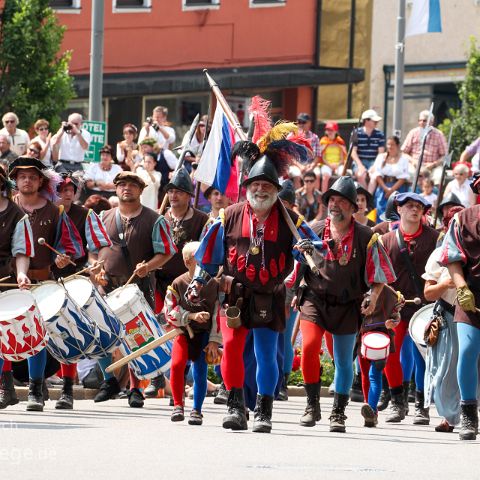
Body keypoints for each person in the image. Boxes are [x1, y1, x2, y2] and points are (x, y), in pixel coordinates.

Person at [187, 146, 323, 433]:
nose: (260, 190)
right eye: (256, 184)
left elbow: (316, 252)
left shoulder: (291, 220)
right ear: (247, 186)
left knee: (266, 354)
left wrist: (307, 249)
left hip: (270, 295)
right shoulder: (228, 216)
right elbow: (209, 256)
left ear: (276, 189)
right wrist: (198, 282)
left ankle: (264, 410)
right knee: (233, 350)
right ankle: (236, 407)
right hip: (235, 295)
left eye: (267, 185)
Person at [295, 176, 395, 432]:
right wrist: (298, 258)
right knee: (308, 346)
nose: (335, 204)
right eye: (332, 199)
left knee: (342, 360)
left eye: (341, 200)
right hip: (315, 299)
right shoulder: (313, 229)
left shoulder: (367, 236)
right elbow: (298, 261)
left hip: (348, 304)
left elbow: (379, 275)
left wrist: (373, 296)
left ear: (353, 207)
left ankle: (338, 412)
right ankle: (311, 404)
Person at [0, 157, 83, 411]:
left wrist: (61, 256)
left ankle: (37, 390)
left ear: (40, 181)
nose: (27, 180)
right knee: (4, 335)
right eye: (22, 176)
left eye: (33, 177)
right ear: (14, 181)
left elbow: (71, 246)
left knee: (35, 336)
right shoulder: (10, 207)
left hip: (42, 282)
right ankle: (7, 388)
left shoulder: (55, 210)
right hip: (10, 283)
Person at [91, 171, 176, 407]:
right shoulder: (102, 217)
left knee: (136, 337)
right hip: (106, 285)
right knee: (102, 335)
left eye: (132, 185)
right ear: (116, 189)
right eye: (121, 185)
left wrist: (147, 267)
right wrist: (95, 269)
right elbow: (92, 250)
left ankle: (135, 389)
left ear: (141, 190)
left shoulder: (154, 219)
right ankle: (109, 381)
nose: (126, 188)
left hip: (138, 287)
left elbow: (167, 251)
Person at [145, 167, 208, 398]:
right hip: (159, 281)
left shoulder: (202, 220)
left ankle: (182, 383)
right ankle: (156, 378)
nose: (173, 196)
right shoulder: (158, 217)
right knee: (156, 329)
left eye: (179, 192)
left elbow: (206, 254)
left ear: (189, 195)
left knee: (183, 331)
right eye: (170, 191)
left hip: (188, 285)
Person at [52, 174, 112, 409]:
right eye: (62, 189)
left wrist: (96, 264)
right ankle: (33, 383)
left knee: (68, 332)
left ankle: (67, 388)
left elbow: (102, 244)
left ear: (76, 192)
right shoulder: (46, 211)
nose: (67, 193)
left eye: (71, 189)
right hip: (43, 278)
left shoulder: (85, 215)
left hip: (73, 279)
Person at [381, 192, 439, 424]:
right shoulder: (386, 239)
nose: (415, 210)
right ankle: (397, 401)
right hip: (394, 306)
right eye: (410, 206)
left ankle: (421, 406)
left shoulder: (435, 238)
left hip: (425, 307)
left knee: (423, 357)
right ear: (400, 209)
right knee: (389, 353)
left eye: (419, 207)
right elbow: (379, 275)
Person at [164, 242, 222, 425]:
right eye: (200, 259)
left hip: (204, 334)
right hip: (183, 331)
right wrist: (191, 316)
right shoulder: (178, 283)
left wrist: (214, 341)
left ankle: (197, 410)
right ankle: (178, 406)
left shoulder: (213, 285)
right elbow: (169, 312)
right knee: (177, 364)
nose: (204, 263)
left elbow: (217, 316)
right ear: (187, 261)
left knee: (200, 370)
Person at [441, 177, 480, 440]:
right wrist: (461, 286)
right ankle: (468, 413)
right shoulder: (462, 219)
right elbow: (453, 258)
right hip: (471, 299)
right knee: (467, 350)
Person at [423, 205, 464, 433]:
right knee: (444, 371)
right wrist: (446, 284)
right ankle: (449, 416)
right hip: (448, 316)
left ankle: (467, 413)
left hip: (472, 316)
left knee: (471, 366)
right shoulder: (439, 255)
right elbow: (428, 293)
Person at [0, 165, 34, 409]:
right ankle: (7, 386)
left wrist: (21, 274)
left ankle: (5, 386)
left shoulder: (16, 215)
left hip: (3, 280)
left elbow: (20, 251)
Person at [402, 110, 447, 186]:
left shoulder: (439, 134)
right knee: (409, 174)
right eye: (420, 120)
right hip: (415, 165)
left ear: (431, 122)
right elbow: (403, 153)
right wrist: (413, 161)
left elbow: (445, 156)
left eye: (424, 120)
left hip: (432, 167)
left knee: (439, 176)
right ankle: (412, 195)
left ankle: (434, 196)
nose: (422, 122)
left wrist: (434, 164)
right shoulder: (413, 132)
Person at [370, 136, 409, 221]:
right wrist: (385, 188)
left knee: (397, 211)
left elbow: (403, 177)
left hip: (398, 189)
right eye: (388, 144)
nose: (390, 147)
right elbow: (377, 174)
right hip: (383, 188)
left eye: (392, 144)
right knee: (381, 211)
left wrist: (392, 190)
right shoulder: (381, 157)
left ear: (398, 146)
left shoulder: (404, 159)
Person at [351, 109, 385, 189]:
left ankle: (368, 198)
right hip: (359, 160)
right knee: (360, 175)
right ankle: (365, 197)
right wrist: (360, 165)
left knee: (374, 176)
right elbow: (353, 152)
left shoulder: (380, 134)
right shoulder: (356, 133)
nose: (377, 122)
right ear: (366, 120)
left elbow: (381, 153)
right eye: (374, 120)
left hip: (374, 161)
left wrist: (375, 166)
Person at [319, 121, 347, 192]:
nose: (329, 132)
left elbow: (343, 156)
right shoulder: (323, 141)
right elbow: (322, 157)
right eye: (328, 130)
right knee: (325, 176)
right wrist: (330, 165)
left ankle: (340, 194)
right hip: (326, 164)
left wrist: (337, 165)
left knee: (342, 174)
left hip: (338, 164)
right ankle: (323, 197)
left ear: (336, 131)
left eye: (331, 130)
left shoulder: (340, 141)